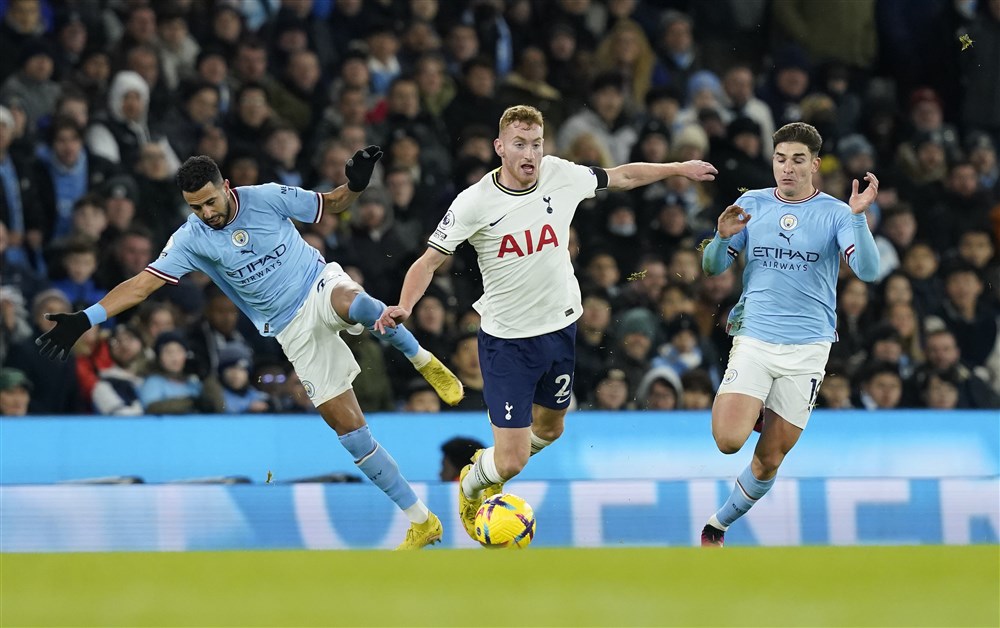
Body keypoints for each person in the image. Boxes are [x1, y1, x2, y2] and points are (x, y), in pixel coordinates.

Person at [35, 147, 464, 550]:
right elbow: (143, 284)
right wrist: (87, 317)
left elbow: (332, 204)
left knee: (358, 303)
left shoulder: (267, 197)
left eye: (209, 202)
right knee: (350, 434)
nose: (206, 213)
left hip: (317, 285)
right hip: (290, 329)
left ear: (225, 187)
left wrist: (354, 185)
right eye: (195, 207)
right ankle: (422, 520)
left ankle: (422, 359)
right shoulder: (191, 238)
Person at [375, 104, 717, 540]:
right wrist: (404, 305)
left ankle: (494, 458)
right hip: (507, 342)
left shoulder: (560, 174)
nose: (530, 154)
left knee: (552, 429)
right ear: (500, 147)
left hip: (560, 330)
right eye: (519, 144)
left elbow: (622, 176)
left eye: (536, 144)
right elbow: (428, 262)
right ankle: (474, 479)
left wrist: (678, 168)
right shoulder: (474, 202)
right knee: (512, 461)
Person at [699, 121, 880, 547]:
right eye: (781, 159)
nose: (788, 168)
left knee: (768, 461)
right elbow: (713, 268)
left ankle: (718, 525)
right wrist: (719, 238)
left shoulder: (837, 212)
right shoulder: (752, 203)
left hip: (809, 347)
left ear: (814, 165)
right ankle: (756, 403)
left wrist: (858, 219)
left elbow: (869, 272)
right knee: (728, 441)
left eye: (798, 160)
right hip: (756, 338)